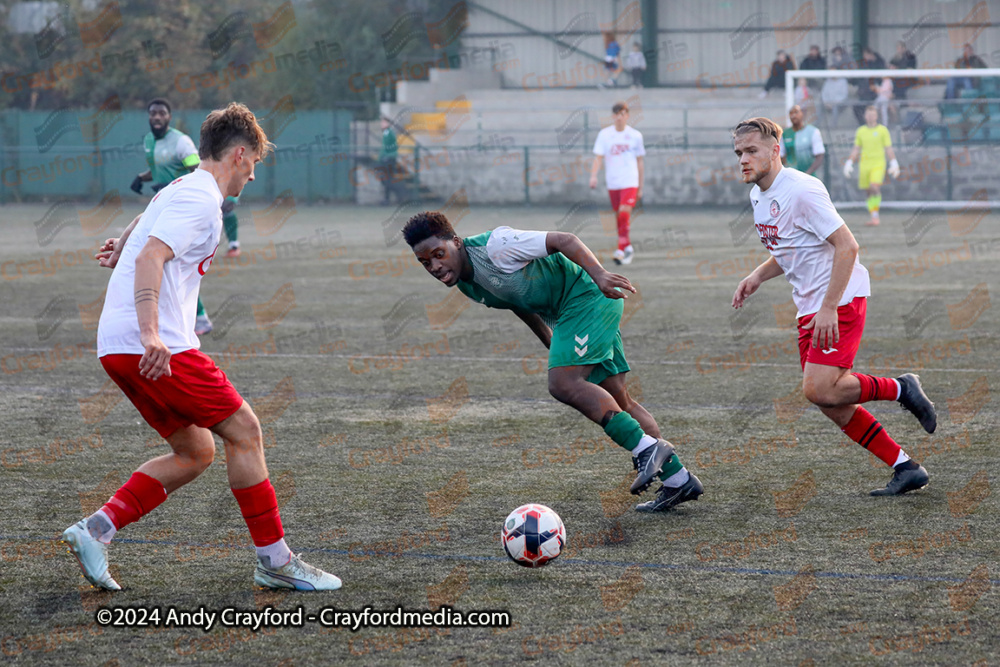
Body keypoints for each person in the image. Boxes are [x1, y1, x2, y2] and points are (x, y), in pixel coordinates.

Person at [62, 103, 341, 592]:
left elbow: (143, 225)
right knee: (246, 432)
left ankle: (96, 530)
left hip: (115, 346)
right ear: (238, 154)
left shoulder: (182, 185)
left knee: (195, 451)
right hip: (151, 343)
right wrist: (151, 333)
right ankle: (275, 560)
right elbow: (153, 255)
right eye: (253, 163)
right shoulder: (200, 201)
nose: (252, 176)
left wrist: (119, 246)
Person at [403, 213, 703, 513]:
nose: (435, 266)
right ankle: (679, 481)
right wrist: (551, 342)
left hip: (588, 297)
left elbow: (564, 240)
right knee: (619, 400)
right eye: (425, 262)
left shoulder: (497, 246)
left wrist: (599, 274)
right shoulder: (466, 282)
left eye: (439, 254)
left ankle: (647, 448)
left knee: (563, 384)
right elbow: (516, 303)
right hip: (572, 316)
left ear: (455, 242)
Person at [731, 117, 934, 497]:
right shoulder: (757, 197)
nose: (743, 159)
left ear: (776, 151)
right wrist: (757, 276)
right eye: (739, 152)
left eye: (752, 151)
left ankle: (902, 388)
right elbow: (791, 249)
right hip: (810, 305)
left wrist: (828, 307)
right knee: (832, 401)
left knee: (819, 389)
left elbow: (848, 246)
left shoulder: (803, 189)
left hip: (839, 298)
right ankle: (905, 466)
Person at [130, 98, 234, 335]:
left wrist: (169, 185)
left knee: (171, 264)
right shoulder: (148, 141)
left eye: (161, 113)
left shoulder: (181, 142)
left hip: (182, 208)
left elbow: (197, 169)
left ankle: (198, 318)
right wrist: (142, 177)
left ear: (169, 116)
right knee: (164, 264)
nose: (157, 117)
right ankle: (190, 318)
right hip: (163, 206)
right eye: (153, 113)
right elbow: (157, 168)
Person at [589, 101, 645, 265]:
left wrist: (640, 186)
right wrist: (593, 176)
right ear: (613, 116)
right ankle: (627, 246)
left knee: (623, 212)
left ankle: (620, 250)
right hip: (613, 182)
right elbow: (598, 157)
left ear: (627, 116)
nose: (620, 118)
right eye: (617, 114)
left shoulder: (635, 136)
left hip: (630, 180)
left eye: (623, 114)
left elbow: (640, 162)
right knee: (619, 217)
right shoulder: (605, 135)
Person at [843, 106, 900, 226]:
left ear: (876, 116)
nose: (870, 117)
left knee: (874, 187)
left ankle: (876, 215)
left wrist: (894, 162)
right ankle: (874, 216)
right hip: (864, 165)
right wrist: (849, 162)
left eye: (872, 115)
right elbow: (856, 149)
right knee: (868, 191)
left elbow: (888, 148)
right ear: (865, 116)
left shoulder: (882, 130)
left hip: (878, 163)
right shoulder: (861, 131)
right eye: (868, 115)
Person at [781, 104, 825, 177]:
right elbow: (780, 155)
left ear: (803, 114)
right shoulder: (785, 134)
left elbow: (819, 155)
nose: (793, 116)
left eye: (796, 112)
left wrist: (807, 174)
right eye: (791, 113)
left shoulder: (813, 132)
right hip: (791, 178)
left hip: (809, 177)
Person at [853, 48, 885, 124]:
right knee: (856, 107)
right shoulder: (865, 64)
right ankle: (863, 124)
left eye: (866, 55)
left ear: (870, 54)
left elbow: (880, 79)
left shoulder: (879, 63)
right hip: (864, 95)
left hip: (874, 94)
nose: (865, 57)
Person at [821, 46, 850, 128]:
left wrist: (833, 103)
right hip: (828, 103)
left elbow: (844, 95)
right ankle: (818, 125)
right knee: (819, 104)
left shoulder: (843, 81)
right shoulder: (828, 81)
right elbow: (824, 93)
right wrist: (826, 102)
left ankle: (833, 127)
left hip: (839, 103)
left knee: (835, 108)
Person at [377, 117, 403, 205]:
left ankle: (395, 196)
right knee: (386, 179)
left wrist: (388, 156)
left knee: (387, 179)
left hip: (389, 159)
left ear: (388, 124)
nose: (382, 124)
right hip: (385, 158)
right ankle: (388, 198)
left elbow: (394, 146)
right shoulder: (385, 132)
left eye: (384, 123)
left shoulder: (389, 132)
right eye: (382, 123)